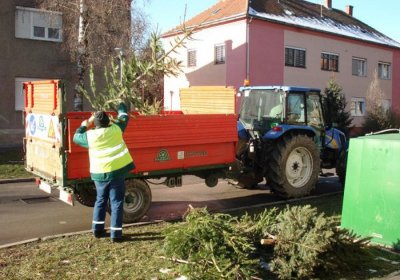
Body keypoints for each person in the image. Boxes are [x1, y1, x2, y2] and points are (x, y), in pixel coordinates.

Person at [73, 102, 134, 242]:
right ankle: (116, 235)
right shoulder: (116, 129)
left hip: (99, 174)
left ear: (95, 124)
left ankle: (97, 231)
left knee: (100, 200)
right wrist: (121, 105)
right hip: (116, 172)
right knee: (117, 202)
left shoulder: (90, 136)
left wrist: (85, 124)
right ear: (108, 121)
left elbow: (76, 137)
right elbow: (124, 117)